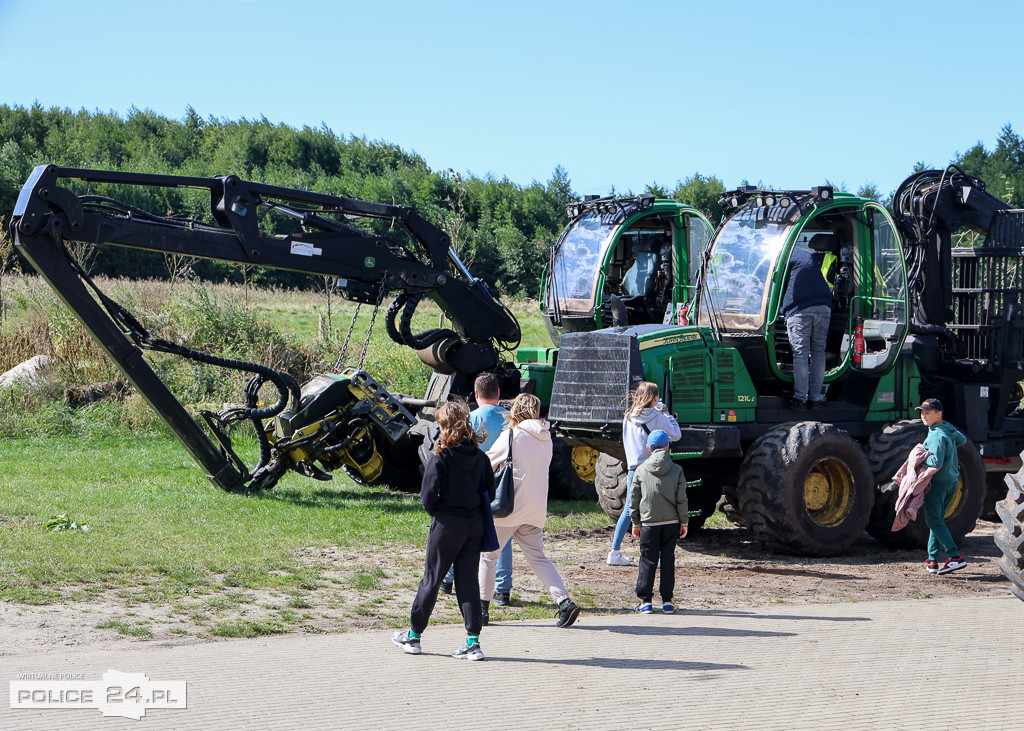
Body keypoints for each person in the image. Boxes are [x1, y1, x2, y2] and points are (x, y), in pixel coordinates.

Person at [391, 401, 497, 661]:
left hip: (448, 524)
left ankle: (414, 636)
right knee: (468, 581)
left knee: (433, 579)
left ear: (444, 426)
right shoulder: (481, 457)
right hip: (475, 524)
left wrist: (441, 512)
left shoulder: (441, 457)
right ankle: (473, 642)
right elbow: (490, 492)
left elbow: (427, 498)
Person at [478, 393, 581, 628]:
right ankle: (564, 602)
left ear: (516, 409)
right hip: (535, 510)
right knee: (538, 558)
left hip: (509, 509)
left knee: (489, 557)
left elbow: (487, 462)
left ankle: (482, 610)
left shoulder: (512, 435)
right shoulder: (546, 438)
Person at [440, 373, 516, 606]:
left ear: (474, 395)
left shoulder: (469, 419)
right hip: (501, 482)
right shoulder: (510, 420)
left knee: (463, 533)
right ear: (499, 393)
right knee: (501, 536)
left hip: (471, 482)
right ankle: (502, 590)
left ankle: (448, 579)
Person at [608, 381, 682, 566]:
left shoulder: (628, 417)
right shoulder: (658, 417)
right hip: (651, 469)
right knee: (654, 512)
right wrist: (666, 414)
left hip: (633, 468)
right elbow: (676, 435)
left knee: (629, 511)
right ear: (655, 398)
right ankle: (653, 556)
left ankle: (614, 552)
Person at [629, 429, 688, 614]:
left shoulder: (640, 470)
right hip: (671, 523)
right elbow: (682, 499)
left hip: (648, 523)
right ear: (668, 446)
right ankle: (668, 602)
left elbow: (634, 499)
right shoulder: (677, 470)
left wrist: (635, 522)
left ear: (648, 447)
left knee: (647, 560)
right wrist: (684, 522)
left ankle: (646, 601)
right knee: (668, 560)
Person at [781, 234, 835, 410]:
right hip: (824, 307)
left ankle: (799, 398)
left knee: (800, 353)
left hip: (801, 309)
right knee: (818, 352)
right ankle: (815, 399)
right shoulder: (806, 255)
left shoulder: (782, 256)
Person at [916, 398, 969, 575]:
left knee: (933, 520)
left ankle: (955, 557)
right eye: (922, 412)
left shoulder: (937, 435)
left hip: (938, 483)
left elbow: (935, 462)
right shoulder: (946, 429)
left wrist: (920, 457)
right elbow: (961, 440)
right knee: (937, 519)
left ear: (939, 414)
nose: (924, 416)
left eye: (928, 413)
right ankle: (932, 560)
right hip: (951, 482)